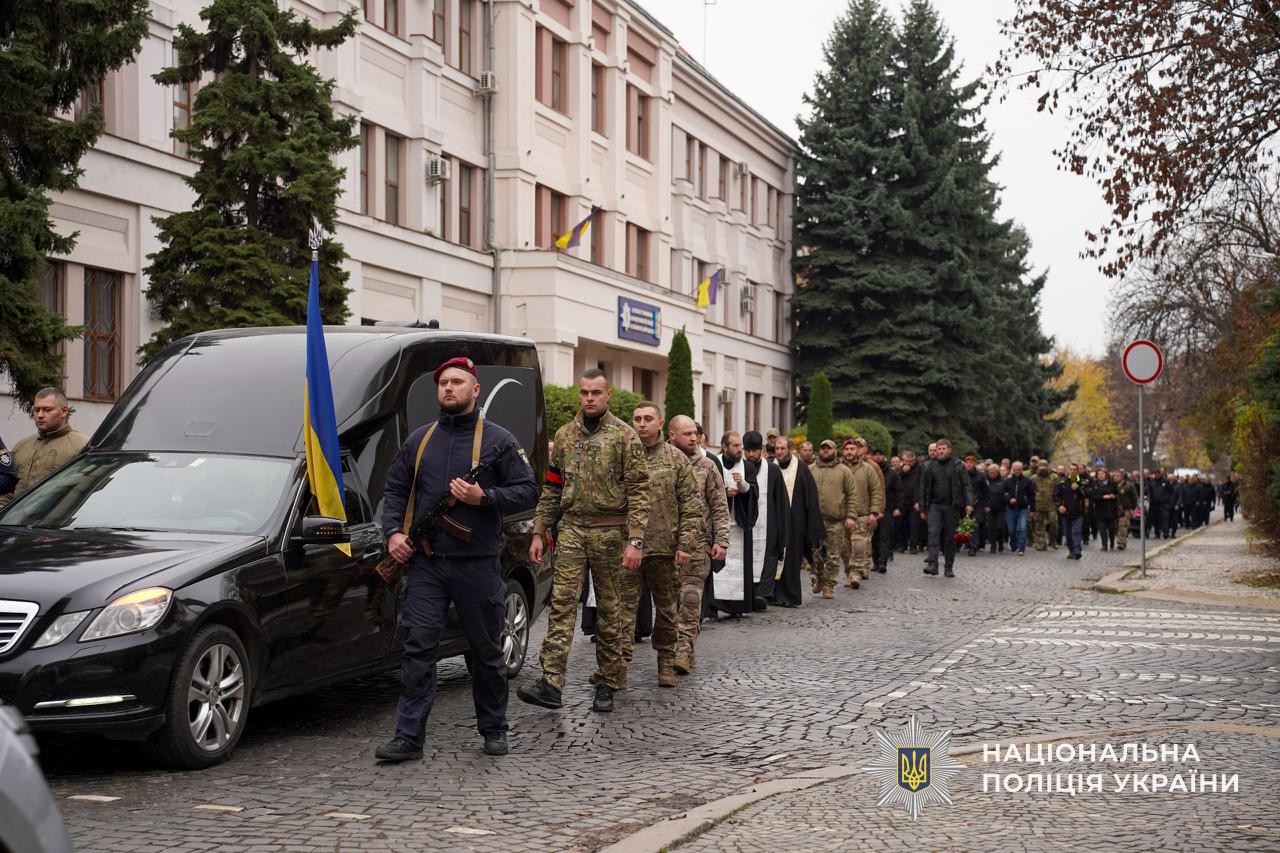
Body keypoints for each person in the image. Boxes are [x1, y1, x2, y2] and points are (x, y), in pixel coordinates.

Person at [374, 357, 539, 762]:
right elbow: (394, 491)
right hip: (427, 564)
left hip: (477, 563)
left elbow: (528, 491)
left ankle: (494, 729)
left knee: (485, 650)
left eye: (457, 382)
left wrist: (485, 498)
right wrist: (394, 533)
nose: (448, 388)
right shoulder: (420, 440)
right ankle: (409, 737)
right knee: (418, 650)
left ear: (475, 389)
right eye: (443, 382)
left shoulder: (499, 441)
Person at [519, 369, 650, 714]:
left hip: (612, 532)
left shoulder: (625, 437)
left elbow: (639, 490)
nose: (589, 398)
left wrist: (636, 540)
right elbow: (552, 487)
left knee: (611, 609)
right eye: (584, 392)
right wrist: (539, 530)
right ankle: (551, 682)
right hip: (573, 530)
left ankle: (607, 680)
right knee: (561, 605)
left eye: (596, 392)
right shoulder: (564, 437)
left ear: (608, 395)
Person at [623, 402, 700, 687]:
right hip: (628, 549)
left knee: (667, 610)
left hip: (665, 551)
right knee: (621, 611)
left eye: (647, 419)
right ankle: (618, 666)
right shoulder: (624, 455)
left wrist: (686, 544)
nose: (641, 424)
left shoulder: (676, 459)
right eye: (637, 419)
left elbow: (692, 506)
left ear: (660, 423)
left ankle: (666, 663)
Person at [668, 416, 729, 674]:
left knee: (691, 600)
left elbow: (719, 506)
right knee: (670, 604)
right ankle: (674, 649)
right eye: (687, 434)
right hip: (666, 547)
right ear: (672, 436)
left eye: (695, 433)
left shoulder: (707, 466)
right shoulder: (661, 464)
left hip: (698, 545)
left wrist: (722, 540)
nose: (694, 438)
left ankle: (683, 652)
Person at [709, 431, 786, 617]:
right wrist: (724, 492)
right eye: (735, 446)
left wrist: (742, 486)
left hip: (740, 525)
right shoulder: (713, 463)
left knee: (739, 568)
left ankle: (737, 608)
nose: (740, 450)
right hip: (719, 525)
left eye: (740, 446)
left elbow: (753, 491)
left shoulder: (746, 467)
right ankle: (715, 605)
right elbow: (708, 488)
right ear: (725, 446)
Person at [0, 387, 89, 507]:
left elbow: (85, 492)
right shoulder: (21, 446)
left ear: (64, 411)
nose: (40, 415)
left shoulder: (82, 446)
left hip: (55, 523)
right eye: (36, 410)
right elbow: (8, 491)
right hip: (14, 522)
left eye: (47, 410)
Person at [770, 436, 823, 606]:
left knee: (792, 561)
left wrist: (811, 528)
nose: (779, 452)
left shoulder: (801, 469)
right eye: (777, 449)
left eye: (782, 448)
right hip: (776, 523)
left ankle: (790, 596)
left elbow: (811, 498)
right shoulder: (771, 468)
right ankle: (774, 594)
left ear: (790, 449)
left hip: (796, 523)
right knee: (774, 559)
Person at [918, 438, 974, 578]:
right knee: (933, 534)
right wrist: (923, 508)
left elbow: (967, 486)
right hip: (934, 505)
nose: (941, 451)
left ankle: (949, 566)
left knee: (950, 538)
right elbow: (923, 488)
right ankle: (933, 565)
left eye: (943, 448)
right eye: (939, 449)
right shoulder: (929, 466)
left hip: (952, 506)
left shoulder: (958, 465)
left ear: (950, 449)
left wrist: (969, 503)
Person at [810, 439, 856, 597]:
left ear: (835, 451)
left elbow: (852, 495)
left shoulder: (844, 471)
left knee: (833, 555)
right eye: (823, 448)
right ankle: (820, 577)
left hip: (835, 520)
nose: (825, 451)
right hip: (815, 520)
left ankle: (829, 584)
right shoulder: (810, 469)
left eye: (828, 449)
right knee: (815, 555)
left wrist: (851, 516)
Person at [842, 438, 884, 585]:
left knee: (859, 545)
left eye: (852, 449)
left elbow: (876, 491)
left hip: (861, 515)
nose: (849, 452)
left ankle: (856, 573)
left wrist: (874, 512)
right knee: (845, 548)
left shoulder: (868, 469)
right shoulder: (838, 468)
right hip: (841, 515)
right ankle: (849, 571)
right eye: (846, 449)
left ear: (858, 451)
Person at [871, 447, 899, 573]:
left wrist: (897, 507)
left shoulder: (892, 473)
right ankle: (876, 561)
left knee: (884, 536)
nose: (878, 457)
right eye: (875, 455)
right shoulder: (870, 470)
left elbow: (898, 491)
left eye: (880, 454)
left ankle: (883, 562)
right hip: (872, 508)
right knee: (874, 537)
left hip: (887, 508)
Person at [1054, 467, 1088, 559]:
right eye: (1071, 469)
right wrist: (1059, 506)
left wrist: (1078, 489)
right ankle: (1071, 550)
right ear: (1068, 471)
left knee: (1077, 531)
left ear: (1077, 471)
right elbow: (1055, 495)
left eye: (1074, 470)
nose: (1072, 471)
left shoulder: (1083, 482)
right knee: (1068, 533)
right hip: (1066, 511)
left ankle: (1077, 550)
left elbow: (1088, 493)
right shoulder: (1062, 482)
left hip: (1079, 512)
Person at [1001, 461, 1033, 555]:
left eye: (1018, 470)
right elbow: (1003, 493)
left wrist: (1032, 509)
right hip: (1010, 509)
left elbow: (1031, 495)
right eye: (1015, 470)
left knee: (1022, 528)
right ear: (1012, 470)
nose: (1017, 471)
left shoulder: (1027, 481)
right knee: (1011, 530)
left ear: (1021, 470)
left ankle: (1021, 548)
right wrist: (1009, 499)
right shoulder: (1008, 481)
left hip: (1023, 508)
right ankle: (1013, 544)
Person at [896, 451, 923, 553]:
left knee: (914, 524)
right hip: (903, 501)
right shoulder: (900, 469)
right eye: (905, 461)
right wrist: (903, 472)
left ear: (914, 460)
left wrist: (918, 501)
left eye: (909, 461)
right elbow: (896, 479)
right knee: (901, 524)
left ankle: (913, 546)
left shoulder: (919, 469)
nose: (907, 463)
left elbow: (920, 486)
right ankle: (902, 545)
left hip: (914, 501)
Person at [978, 463, 1007, 554]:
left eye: (995, 473)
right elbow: (982, 494)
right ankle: (993, 545)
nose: (993, 474)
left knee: (999, 527)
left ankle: (1001, 542)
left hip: (1000, 508)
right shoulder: (985, 481)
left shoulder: (1003, 481)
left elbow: (1007, 493)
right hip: (989, 508)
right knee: (991, 528)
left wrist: (1007, 497)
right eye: (991, 473)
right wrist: (986, 505)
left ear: (998, 473)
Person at [1030, 460, 1059, 551]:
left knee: (1054, 524)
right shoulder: (1034, 478)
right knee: (1039, 525)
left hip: (1052, 504)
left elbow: (1058, 490)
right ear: (1038, 468)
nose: (1042, 470)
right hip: (1039, 504)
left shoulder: (1054, 477)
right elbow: (1031, 491)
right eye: (1041, 468)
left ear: (1047, 467)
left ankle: (1053, 541)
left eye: (1044, 468)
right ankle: (1041, 544)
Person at [1089, 468, 1119, 551]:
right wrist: (1103, 497)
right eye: (1098, 474)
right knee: (1102, 529)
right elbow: (1092, 497)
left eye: (1102, 474)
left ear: (1106, 474)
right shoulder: (1095, 485)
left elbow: (1117, 494)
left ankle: (1112, 541)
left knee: (1111, 529)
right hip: (1100, 510)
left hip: (1111, 510)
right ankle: (1104, 544)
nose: (1100, 475)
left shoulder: (1112, 483)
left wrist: (1114, 496)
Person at [1115, 470, 1137, 549]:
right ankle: (1118, 540)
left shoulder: (1129, 486)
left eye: (1118, 476)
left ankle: (1121, 543)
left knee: (1122, 526)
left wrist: (1133, 508)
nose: (1116, 477)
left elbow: (1134, 497)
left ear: (1122, 477)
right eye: (1115, 476)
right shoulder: (1113, 485)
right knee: (1115, 526)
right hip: (1114, 509)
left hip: (1125, 509)